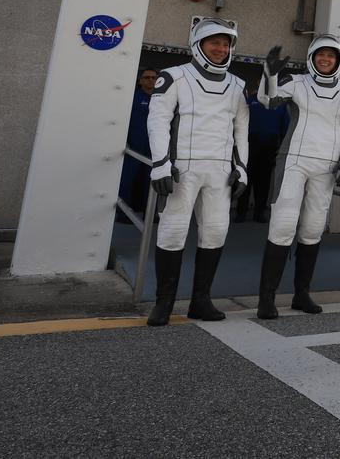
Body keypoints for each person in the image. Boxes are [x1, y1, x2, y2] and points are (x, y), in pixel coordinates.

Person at [145, 17, 249, 327]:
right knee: (173, 232)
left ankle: (200, 300)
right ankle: (163, 302)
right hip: (182, 169)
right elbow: (158, 120)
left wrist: (242, 167)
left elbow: (242, 129)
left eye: (225, 43)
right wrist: (160, 163)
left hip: (220, 171)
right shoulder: (174, 76)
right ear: (198, 44)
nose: (220, 48)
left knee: (215, 232)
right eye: (214, 42)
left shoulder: (238, 85)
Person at [254, 35, 340, 319]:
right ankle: (267, 298)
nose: (326, 59)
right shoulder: (296, 82)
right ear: (312, 57)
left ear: (338, 60)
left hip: (326, 168)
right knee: (282, 226)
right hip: (294, 163)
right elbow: (267, 101)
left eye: (331, 55)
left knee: (312, 230)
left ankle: (302, 294)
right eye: (321, 54)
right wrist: (269, 74)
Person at [236, 81, 290, 223]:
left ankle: (259, 213)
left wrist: (282, 148)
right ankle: (240, 213)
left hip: (269, 146)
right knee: (245, 179)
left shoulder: (280, 104)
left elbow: (286, 128)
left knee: (264, 182)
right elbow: (238, 122)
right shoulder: (251, 100)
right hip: (249, 145)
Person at [117, 67, 158, 220]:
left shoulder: (161, 99)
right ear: (140, 81)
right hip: (134, 146)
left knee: (151, 180)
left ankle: (150, 213)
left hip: (153, 147)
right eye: (147, 77)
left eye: (154, 77)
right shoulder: (132, 98)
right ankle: (123, 213)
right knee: (128, 179)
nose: (151, 80)